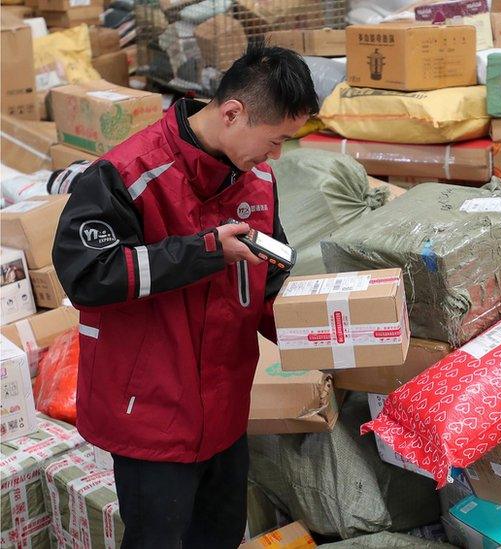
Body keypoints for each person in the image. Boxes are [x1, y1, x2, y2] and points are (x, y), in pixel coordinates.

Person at [52, 47, 318, 548]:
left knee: (218, 538)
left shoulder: (258, 179)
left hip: (226, 413)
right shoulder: (125, 174)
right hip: (149, 417)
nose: (276, 155)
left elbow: (270, 279)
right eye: (276, 139)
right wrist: (204, 251)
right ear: (233, 112)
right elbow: (87, 275)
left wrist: (319, 328)